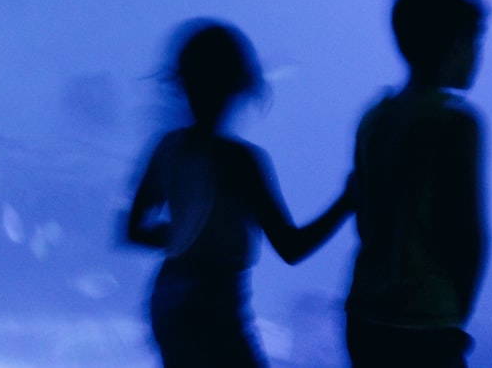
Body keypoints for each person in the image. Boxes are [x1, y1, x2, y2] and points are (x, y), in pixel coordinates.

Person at [126, 19, 353, 368]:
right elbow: (291, 248)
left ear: (183, 82)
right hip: (215, 308)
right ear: (239, 87)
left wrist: (182, 239)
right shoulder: (241, 161)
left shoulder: (167, 148)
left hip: (168, 300)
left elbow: (133, 230)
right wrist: (347, 201)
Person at [345, 0, 490, 368]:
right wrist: (455, 314)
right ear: (457, 43)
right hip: (425, 319)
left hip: (364, 317)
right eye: (475, 39)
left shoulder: (374, 118)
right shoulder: (458, 123)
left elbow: (366, 220)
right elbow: (469, 233)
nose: (478, 52)